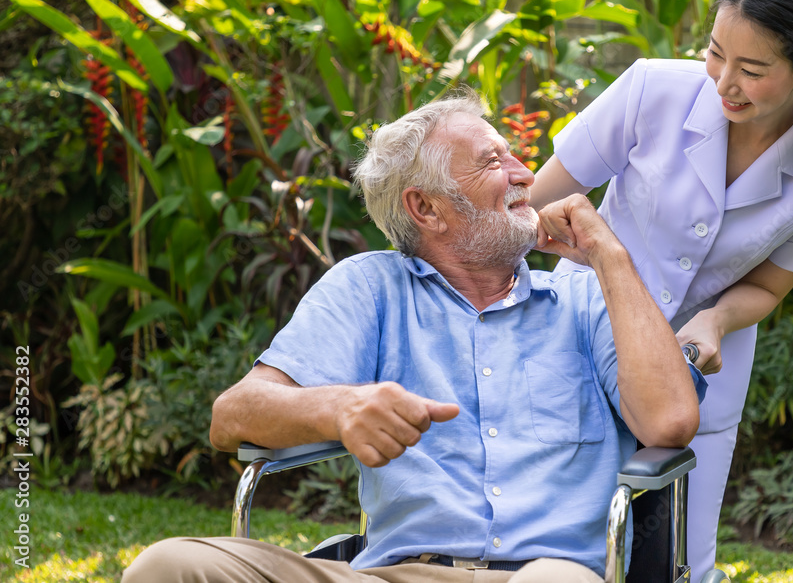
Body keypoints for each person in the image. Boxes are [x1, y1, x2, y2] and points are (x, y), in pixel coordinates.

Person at [122, 90, 707, 583]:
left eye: (513, 155)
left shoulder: (586, 297)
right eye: (492, 162)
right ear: (426, 208)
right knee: (166, 566)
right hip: (395, 572)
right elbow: (234, 416)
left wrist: (608, 254)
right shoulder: (369, 289)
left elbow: (668, 424)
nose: (526, 174)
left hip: (545, 573)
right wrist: (341, 406)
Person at [529, 0, 793, 580]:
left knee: (678, 559)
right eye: (716, 54)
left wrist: (715, 320)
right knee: (562, 544)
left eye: (752, 69)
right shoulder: (651, 89)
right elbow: (537, 203)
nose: (724, 83)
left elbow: (771, 283)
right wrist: (573, 245)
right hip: (577, 343)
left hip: (701, 372)